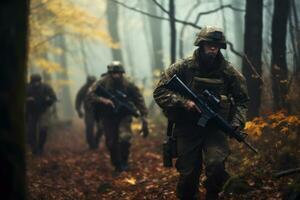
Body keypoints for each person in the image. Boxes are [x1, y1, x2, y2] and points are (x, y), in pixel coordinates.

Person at [153, 26, 249, 200]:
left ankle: (212, 195)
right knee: (188, 174)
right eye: (210, 44)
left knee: (216, 165)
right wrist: (184, 102)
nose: (213, 47)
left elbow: (242, 100)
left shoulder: (229, 72)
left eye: (217, 45)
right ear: (201, 44)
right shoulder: (182, 67)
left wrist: (236, 123)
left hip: (215, 128)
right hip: (187, 128)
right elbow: (159, 91)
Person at [87, 61, 148, 173]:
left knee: (125, 138)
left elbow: (138, 99)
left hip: (124, 115)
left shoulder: (128, 84)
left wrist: (144, 116)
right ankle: (117, 164)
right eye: (113, 73)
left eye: (118, 73)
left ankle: (124, 162)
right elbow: (90, 94)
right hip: (108, 116)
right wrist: (104, 100)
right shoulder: (102, 82)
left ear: (122, 73)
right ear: (110, 73)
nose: (116, 75)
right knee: (111, 141)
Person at [26, 73, 57, 155]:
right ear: (31, 81)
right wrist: (27, 99)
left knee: (43, 129)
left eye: (38, 81)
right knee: (31, 131)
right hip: (31, 112)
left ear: (40, 81)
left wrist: (49, 100)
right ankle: (34, 149)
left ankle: (40, 147)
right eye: (34, 81)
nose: (36, 83)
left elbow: (54, 97)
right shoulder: (27, 88)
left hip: (44, 110)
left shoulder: (46, 87)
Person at [75, 75, 103, 149]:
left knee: (101, 127)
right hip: (89, 111)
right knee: (89, 127)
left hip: (99, 111)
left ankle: (96, 141)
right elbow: (78, 100)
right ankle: (91, 144)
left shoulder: (100, 88)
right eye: (90, 82)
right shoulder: (84, 89)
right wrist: (78, 110)